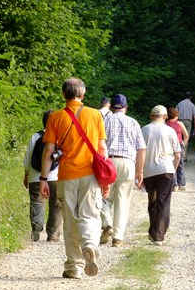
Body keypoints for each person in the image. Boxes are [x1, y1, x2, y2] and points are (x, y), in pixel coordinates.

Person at [40, 78, 109, 279]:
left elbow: (49, 151)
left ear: (64, 95)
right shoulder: (95, 115)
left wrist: (44, 179)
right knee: (90, 215)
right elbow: (102, 148)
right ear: (83, 94)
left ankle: (74, 267)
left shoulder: (56, 117)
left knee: (70, 221)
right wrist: (105, 180)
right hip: (91, 175)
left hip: (66, 175)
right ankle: (89, 244)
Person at [100, 93, 146, 247]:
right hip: (128, 163)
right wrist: (140, 171)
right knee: (123, 200)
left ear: (111, 107)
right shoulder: (133, 122)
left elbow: (98, 145)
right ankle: (118, 237)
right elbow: (141, 149)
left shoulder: (105, 120)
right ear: (126, 107)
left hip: (109, 161)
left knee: (103, 196)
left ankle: (107, 223)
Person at [141, 105, 181, 245]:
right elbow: (177, 154)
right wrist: (174, 170)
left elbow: (140, 152)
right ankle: (159, 235)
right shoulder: (170, 131)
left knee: (152, 201)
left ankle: (153, 232)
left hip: (149, 170)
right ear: (165, 117)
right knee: (163, 202)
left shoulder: (144, 129)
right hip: (166, 169)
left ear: (152, 115)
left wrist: (139, 171)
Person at [23, 110, 63, 242]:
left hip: (36, 176)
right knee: (56, 205)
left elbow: (28, 157)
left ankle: (36, 226)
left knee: (37, 201)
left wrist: (26, 174)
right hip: (56, 177)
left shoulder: (36, 136)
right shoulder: (59, 137)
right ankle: (53, 235)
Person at [166, 107, 189, 191]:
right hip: (179, 144)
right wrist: (183, 144)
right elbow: (186, 135)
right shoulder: (180, 123)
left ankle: (174, 184)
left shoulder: (165, 124)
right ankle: (181, 184)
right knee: (180, 164)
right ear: (176, 115)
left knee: (171, 164)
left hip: (169, 145)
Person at [176, 91, 195, 158]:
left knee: (178, 138)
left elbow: (175, 113)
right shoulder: (192, 105)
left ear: (184, 96)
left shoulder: (179, 104)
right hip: (188, 122)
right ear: (190, 97)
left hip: (180, 121)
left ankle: (177, 153)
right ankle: (183, 155)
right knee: (186, 138)